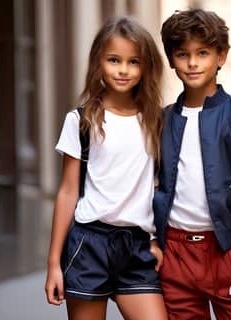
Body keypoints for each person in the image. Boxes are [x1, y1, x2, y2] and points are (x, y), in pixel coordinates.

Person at [154, 8, 231, 320]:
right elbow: (150, 184)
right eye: (182, 54)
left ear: (221, 56)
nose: (193, 62)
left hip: (225, 249)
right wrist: (155, 245)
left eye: (203, 53)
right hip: (176, 254)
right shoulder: (162, 120)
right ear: (171, 59)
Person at [45, 16, 168, 320]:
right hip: (89, 245)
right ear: (98, 62)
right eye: (114, 60)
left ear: (146, 67)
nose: (123, 69)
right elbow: (68, 191)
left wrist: (154, 241)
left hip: (137, 247)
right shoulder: (80, 120)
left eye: (133, 61)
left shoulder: (156, 121)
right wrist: (53, 265)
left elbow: (155, 187)